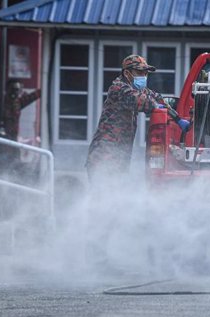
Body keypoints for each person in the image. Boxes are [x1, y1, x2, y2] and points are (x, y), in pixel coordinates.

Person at [85, 55, 190, 269]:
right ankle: (96, 258)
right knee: (104, 208)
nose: (144, 77)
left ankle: (100, 257)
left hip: (116, 158)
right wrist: (164, 110)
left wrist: (178, 117)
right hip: (105, 157)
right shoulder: (119, 89)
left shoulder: (136, 88)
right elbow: (146, 103)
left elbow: (158, 99)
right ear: (128, 73)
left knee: (111, 209)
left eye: (146, 73)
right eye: (140, 73)